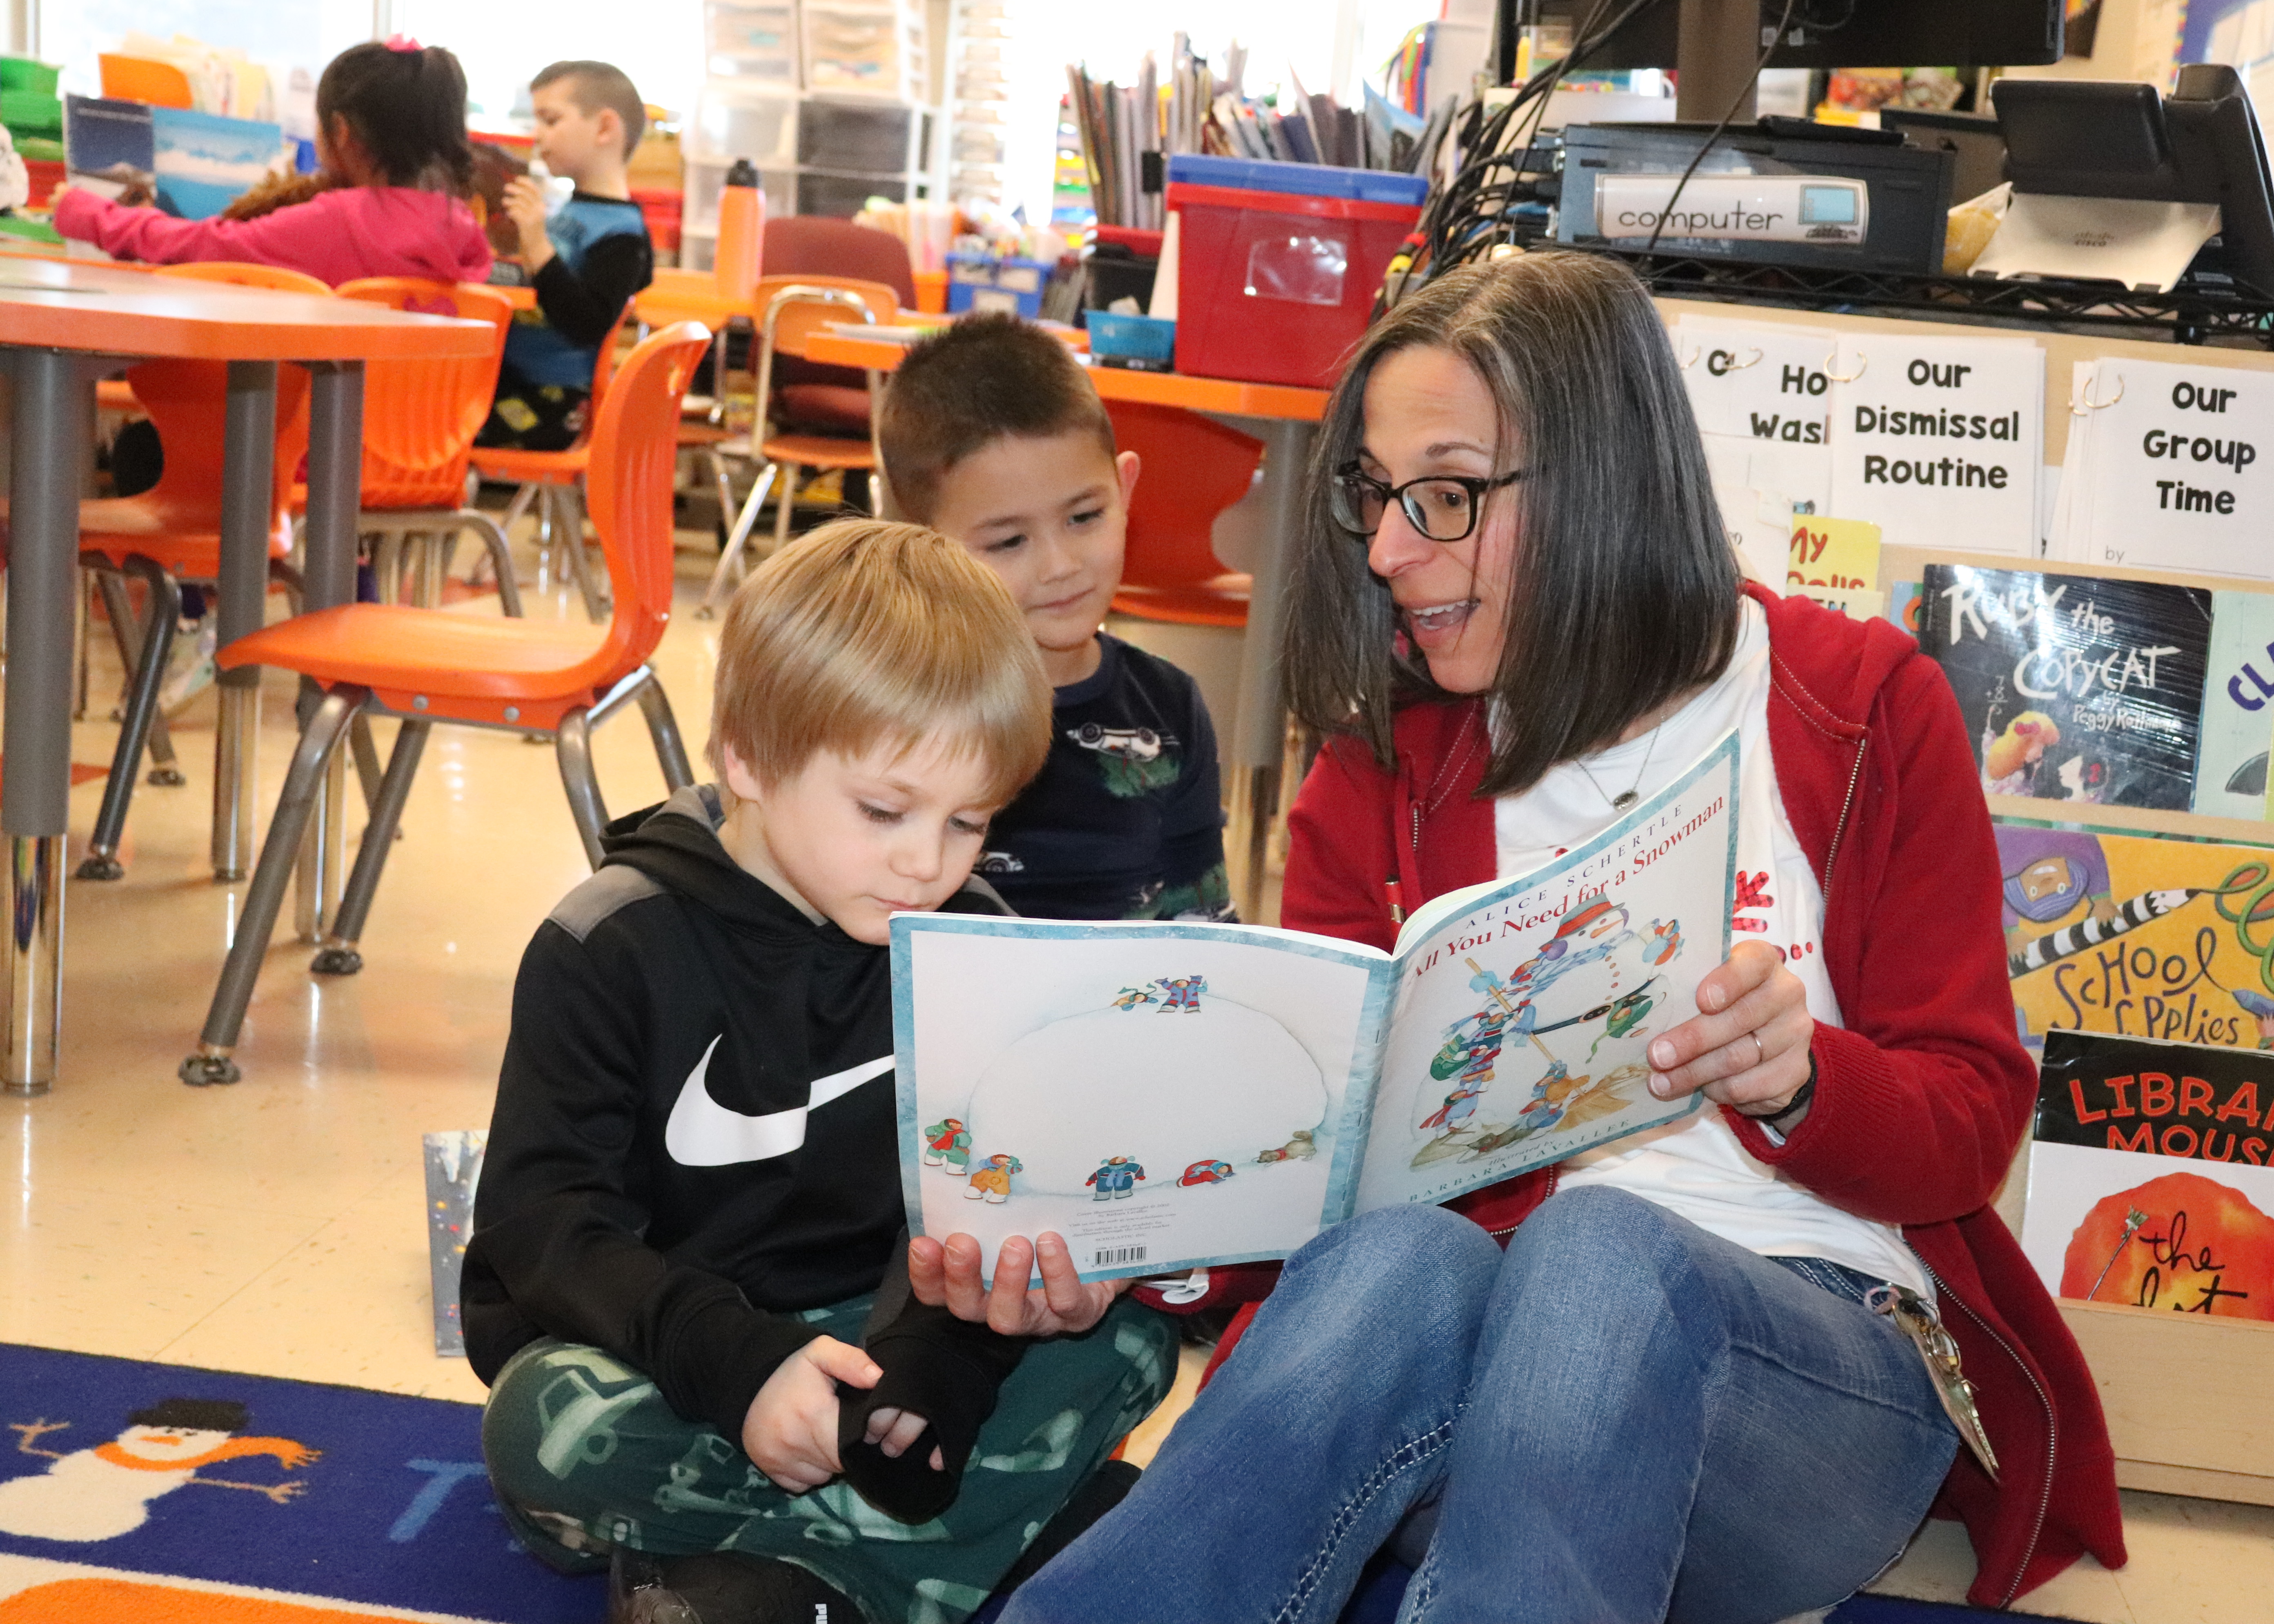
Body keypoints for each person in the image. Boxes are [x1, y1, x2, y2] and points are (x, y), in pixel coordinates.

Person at [999, 252, 2127, 1621]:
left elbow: (1964, 1127)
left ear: (1604, 478)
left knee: (1599, 1244)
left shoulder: (1857, 704)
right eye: (1375, 494)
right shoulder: (1383, 770)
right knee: (1400, 1260)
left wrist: (1801, 1077)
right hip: (1468, 1387)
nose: (1392, 549)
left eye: (1450, 496)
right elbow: (1318, 1156)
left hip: (1808, 1394)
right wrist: (1148, 1236)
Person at [461, 521, 1179, 1624]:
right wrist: (743, 1369)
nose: (926, 863)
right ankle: (970, 1526)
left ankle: (782, 1583)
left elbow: (976, 1209)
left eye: (969, 823)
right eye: (884, 811)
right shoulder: (608, 945)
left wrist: (948, 1358)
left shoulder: (970, 946)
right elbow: (547, 1233)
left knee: (1126, 1342)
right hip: (666, 1354)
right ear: (746, 755)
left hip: (878, 1338)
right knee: (540, 1426)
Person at [877, 314, 1236, 921]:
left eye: (1084, 517)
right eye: (1009, 541)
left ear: (1124, 490)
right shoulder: (881, 706)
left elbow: (1204, 923)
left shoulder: (1170, 710)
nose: (1060, 567)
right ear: (921, 544)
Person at [51, 38, 491, 287]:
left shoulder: (340, 220)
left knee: (144, 444)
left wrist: (88, 212)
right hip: (422, 447)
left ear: (339, 131)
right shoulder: (461, 228)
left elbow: (205, 247)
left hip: (314, 442)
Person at [476, 60, 656, 452]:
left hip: (551, 403)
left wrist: (539, 247)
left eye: (551, 120)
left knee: (418, 414)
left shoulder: (622, 233)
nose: (538, 134)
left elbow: (588, 321)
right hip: (505, 380)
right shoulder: (571, 213)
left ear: (605, 128)